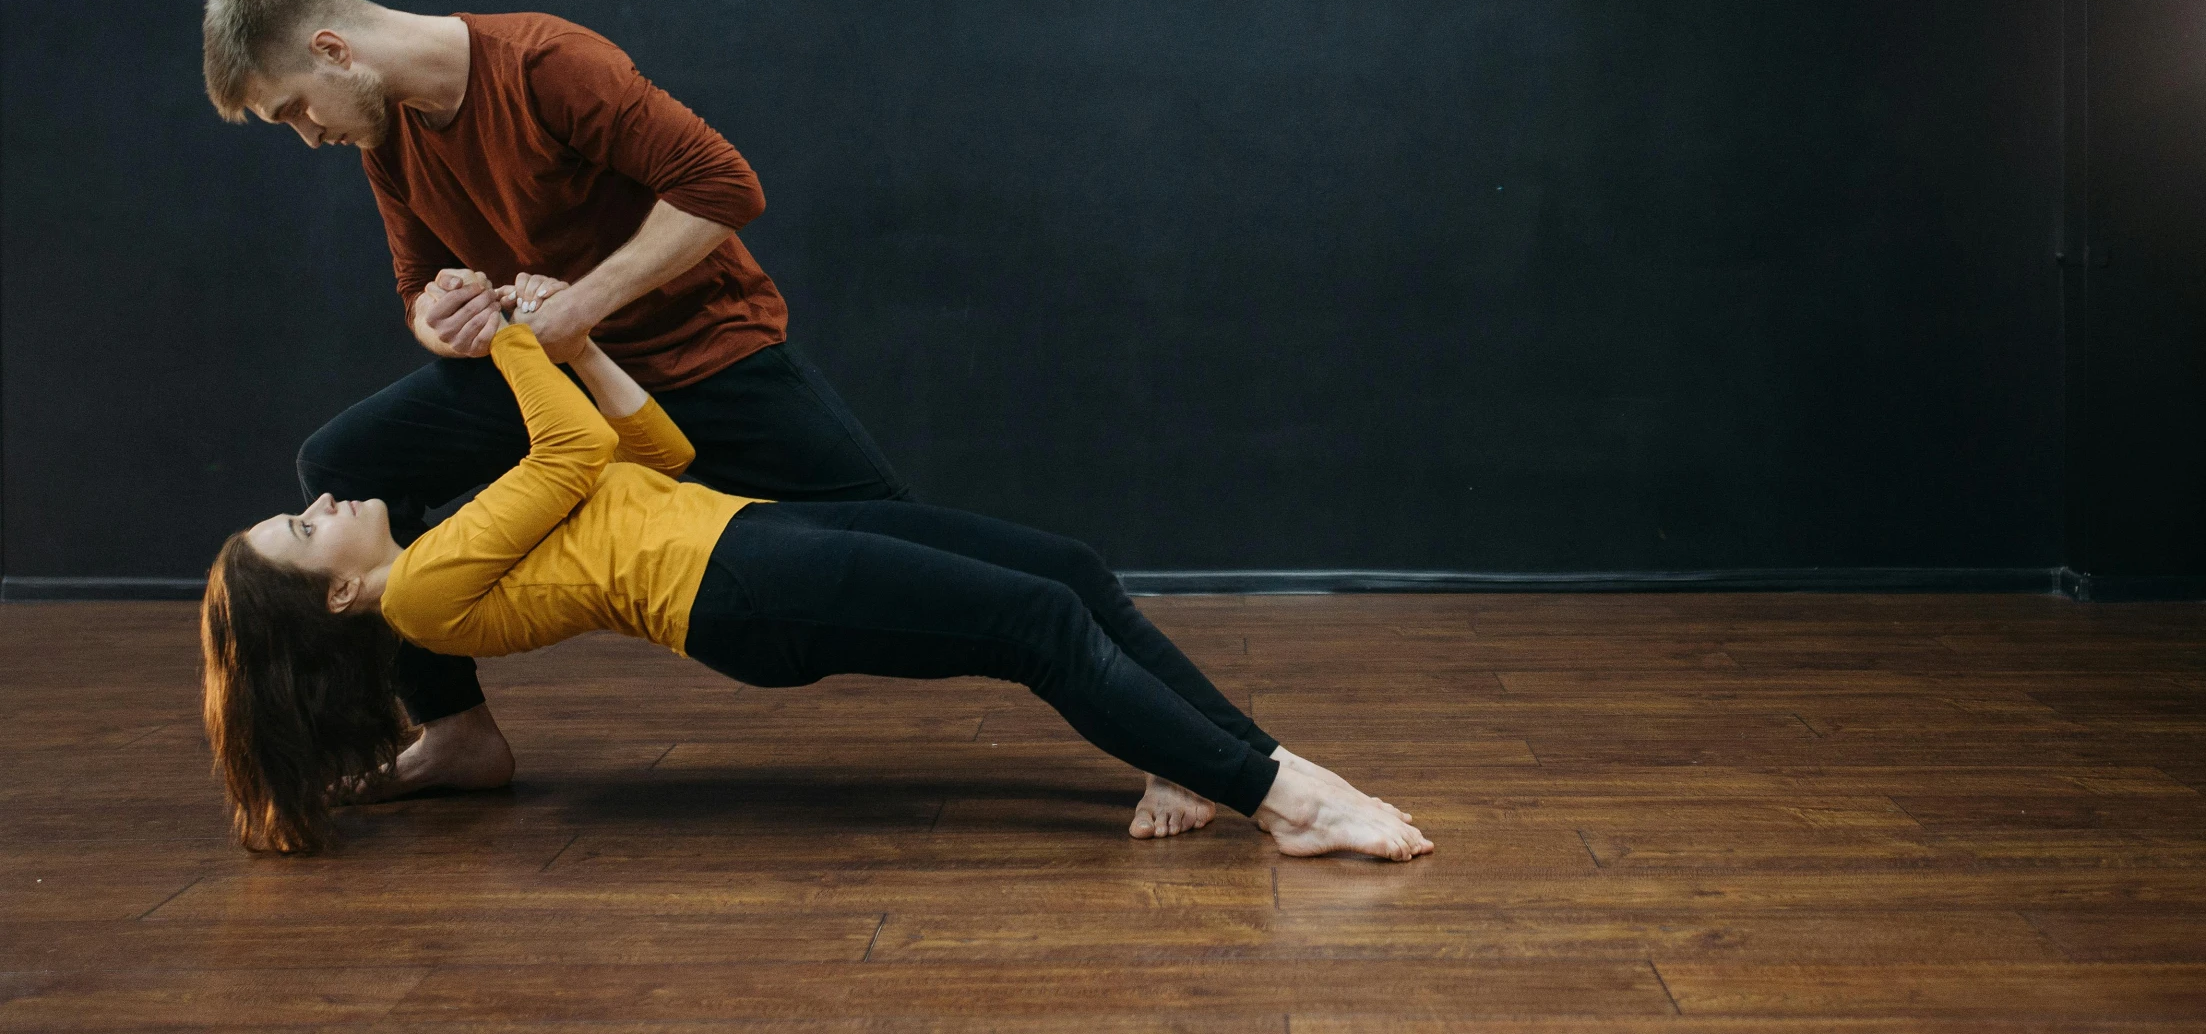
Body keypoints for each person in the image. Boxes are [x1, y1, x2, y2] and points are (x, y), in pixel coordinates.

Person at [199, 302, 1435, 864]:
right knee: (1039, 623)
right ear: (341, 600)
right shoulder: (422, 595)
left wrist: (585, 344)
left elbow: (651, 454)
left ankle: (1216, 755)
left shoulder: (451, 539)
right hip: (743, 590)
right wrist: (520, 332)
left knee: (1066, 572)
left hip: (746, 539)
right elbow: (571, 448)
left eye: (300, 507)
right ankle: (1284, 800)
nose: (324, 499)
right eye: (306, 531)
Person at [202, 0, 913, 801]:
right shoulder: (386, 136)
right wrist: (444, 316)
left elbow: (723, 187)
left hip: (705, 352)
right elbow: (416, 292)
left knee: (905, 552)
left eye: (292, 110)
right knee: (347, 460)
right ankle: (457, 734)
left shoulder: (546, 65)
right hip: (559, 370)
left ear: (331, 49)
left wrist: (581, 308)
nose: (307, 136)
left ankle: (1087, 652)